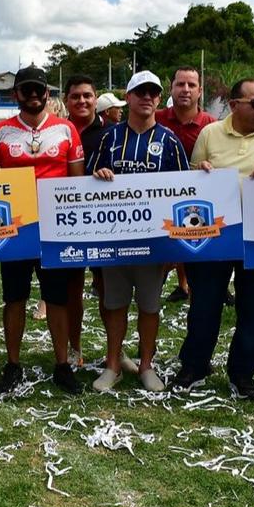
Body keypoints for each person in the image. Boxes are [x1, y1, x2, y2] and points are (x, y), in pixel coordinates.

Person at [175, 79, 254, 397]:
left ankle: (243, 373)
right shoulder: (210, 133)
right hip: (215, 235)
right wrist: (202, 170)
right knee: (204, 304)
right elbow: (191, 180)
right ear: (234, 105)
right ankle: (194, 365)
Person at [0, 65, 86, 395]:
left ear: (47, 93)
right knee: (14, 298)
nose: (32, 95)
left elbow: (76, 183)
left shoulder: (66, 130)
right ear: (15, 94)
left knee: (57, 299)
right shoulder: (0, 132)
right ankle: (13, 364)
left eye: (38, 89)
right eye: (25, 89)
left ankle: (62, 365)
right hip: (16, 229)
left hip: (54, 230)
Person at [88, 70, 190, 392]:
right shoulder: (108, 138)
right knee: (115, 304)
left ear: (159, 99)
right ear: (128, 97)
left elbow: (184, 192)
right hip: (114, 239)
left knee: (149, 306)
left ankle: (146, 365)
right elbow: (85, 184)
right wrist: (98, 175)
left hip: (154, 244)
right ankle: (113, 364)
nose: (147, 97)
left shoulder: (170, 141)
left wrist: (176, 249)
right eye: (140, 92)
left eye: (153, 93)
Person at [156, 67, 217, 303]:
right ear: (171, 88)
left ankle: (200, 288)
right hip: (160, 197)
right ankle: (165, 288)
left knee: (195, 249)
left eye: (191, 85)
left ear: (200, 91)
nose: (186, 89)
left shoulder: (211, 124)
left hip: (197, 199)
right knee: (164, 255)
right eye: (180, 84)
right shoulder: (156, 119)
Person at [62, 74, 108, 368]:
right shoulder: (57, 132)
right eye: (75, 96)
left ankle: (115, 349)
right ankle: (74, 347)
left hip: (104, 222)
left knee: (107, 289)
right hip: (69, 222)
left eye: (87, 95)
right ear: (66, 100)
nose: (82, 101)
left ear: (96, 99)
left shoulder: (112, 132)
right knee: (72, 290)